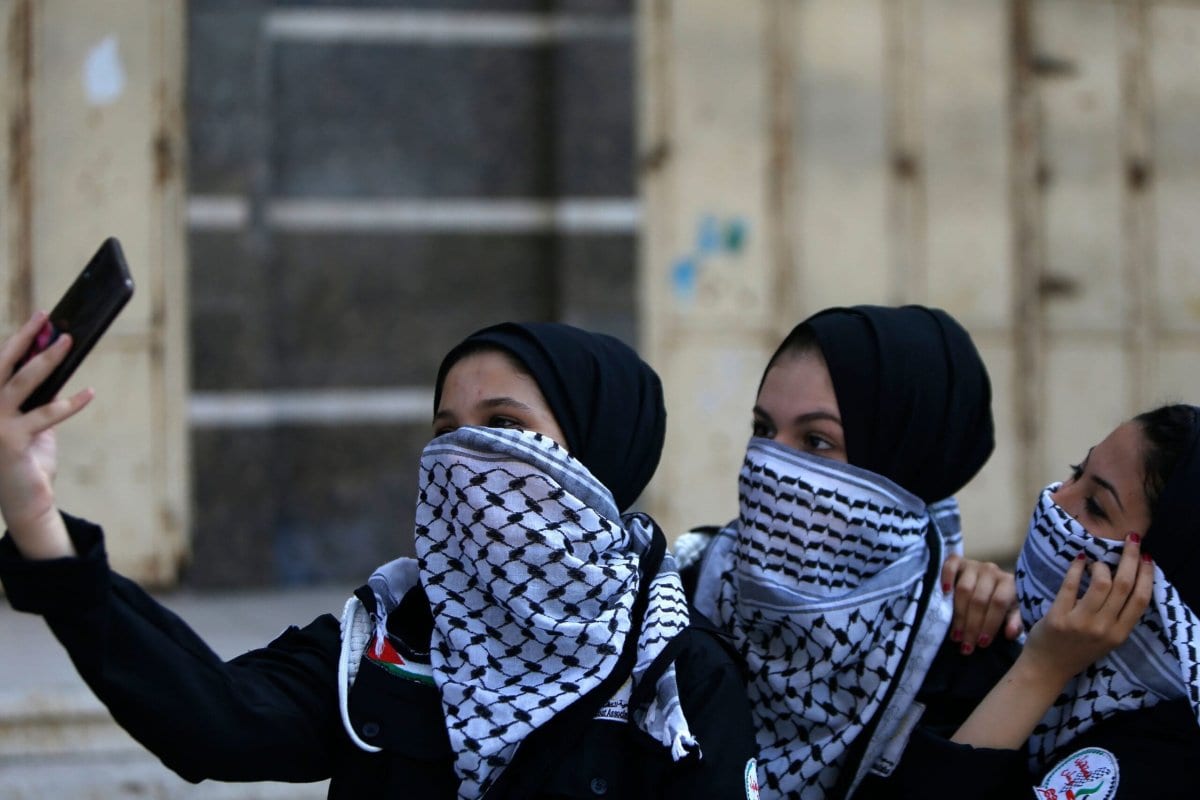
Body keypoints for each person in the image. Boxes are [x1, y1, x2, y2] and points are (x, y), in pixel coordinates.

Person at [0, 314, 758, 799]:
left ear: (597, 453)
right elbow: (213, 720)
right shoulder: (386, 641)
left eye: (502, 424)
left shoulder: (675, 680)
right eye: (445, 431)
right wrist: (36, 518)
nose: (463, 456)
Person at [685, 305, 1014, 799]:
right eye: (763, 430)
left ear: (903, 456)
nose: (770, 464)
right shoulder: (686, 589)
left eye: (817, 441)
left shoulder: (962, 649)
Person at [856, 404, 1200, 799]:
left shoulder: (1167, 762)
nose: (1055, 500)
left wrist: (1043, 669)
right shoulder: (1019, 649)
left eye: (1095, 506)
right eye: (1076, 472)